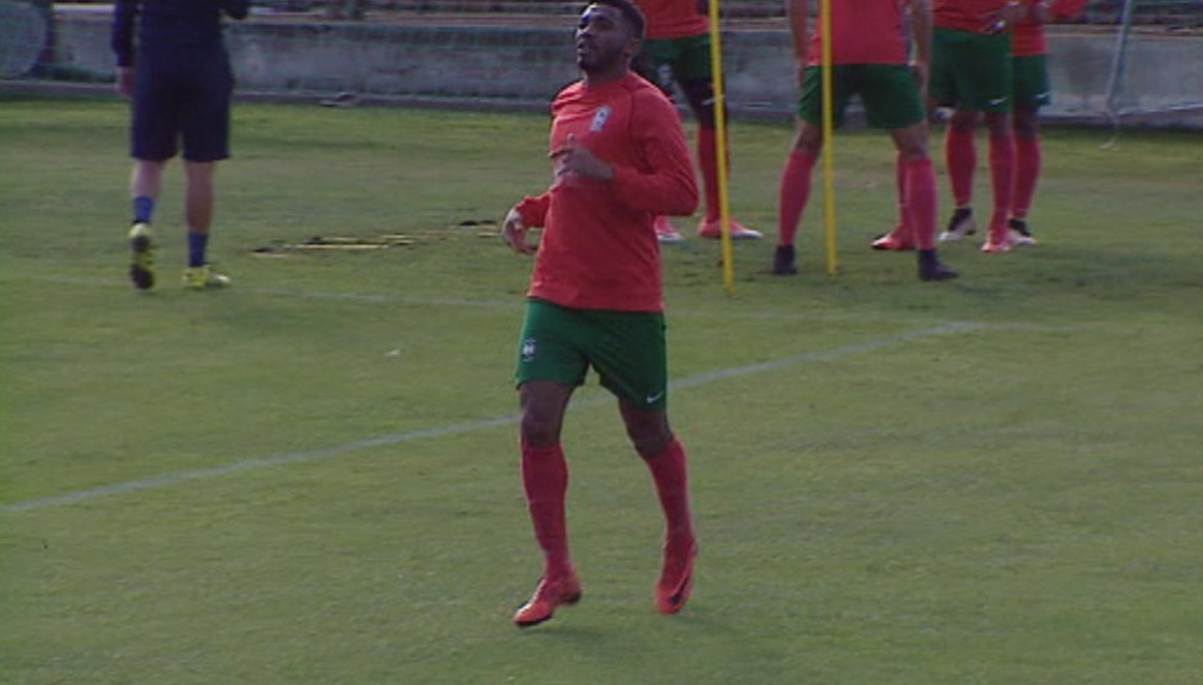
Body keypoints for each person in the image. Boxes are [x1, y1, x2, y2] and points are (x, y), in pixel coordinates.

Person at [501, 0, 700, 628]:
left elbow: (684, 195)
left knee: (648, 433)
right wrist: (529, 210)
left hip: (625, 301)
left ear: (633, 44)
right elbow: (570, 186)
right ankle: (557, 572)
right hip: (556, 293)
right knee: (536, 422)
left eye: (603, 24)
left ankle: (680, 539)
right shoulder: (566, 101)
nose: (587, 32)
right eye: (583, 23)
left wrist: (609, 172)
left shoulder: (648, 106)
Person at [773, 0, 958, 281]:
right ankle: (928, 257)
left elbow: (796, 4)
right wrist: (923, 58)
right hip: (883, 55)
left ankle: (784, 252)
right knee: (916, 152)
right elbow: (920, 6)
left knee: (804, 147)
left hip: (832, 54)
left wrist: (801, 55)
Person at [112, 0, 248, 290]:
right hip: (204, 62)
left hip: (155, 60)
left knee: (148, 160)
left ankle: (142, 222)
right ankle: (196, 265)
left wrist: (124, 59)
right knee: (200, 169)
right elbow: (239, 9)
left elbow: (124, 11)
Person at [942, 0, 1090, 247]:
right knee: (964, 116)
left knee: (1024, 123)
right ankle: (962, 210)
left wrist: (1058, 10)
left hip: (1025, 47)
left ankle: (1016, 219)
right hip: (979, 40)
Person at [632, 0, 761, 243]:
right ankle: (655, 216)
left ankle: (717, 216)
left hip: (697, 33)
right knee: (655, 124)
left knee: (715, 118)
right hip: (652, 33)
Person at [929, 0, 1029, 252]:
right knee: (938, 117)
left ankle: (999, 225)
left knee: (997, 120)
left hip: (986, 29)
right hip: (939, 29)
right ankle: (959, 213)